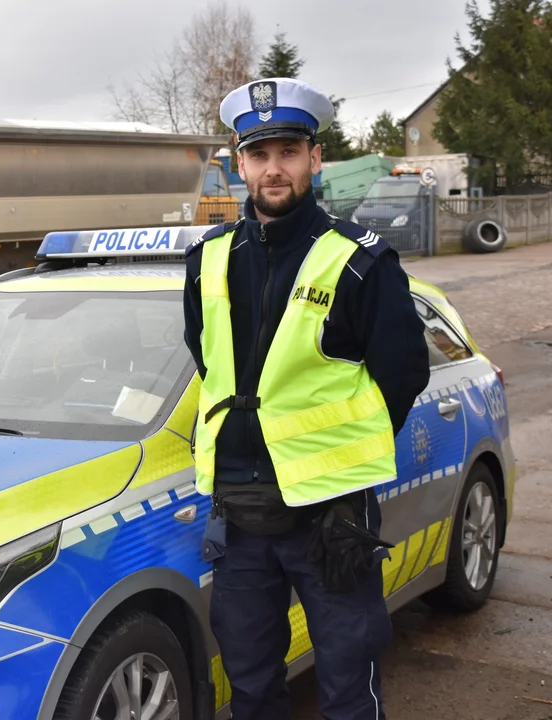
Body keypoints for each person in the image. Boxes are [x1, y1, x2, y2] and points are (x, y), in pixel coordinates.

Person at [184, 78, 431, 719]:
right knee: (251, 682)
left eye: (289, 152)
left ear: (314, 159)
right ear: (239, 164)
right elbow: (207, 359)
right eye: (259, 155)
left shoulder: (357, 261)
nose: (274, 169)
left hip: (330, 520)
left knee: (348, 683)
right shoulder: (207, 259)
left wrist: (339, 455)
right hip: (239, 515)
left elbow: (403, 372)